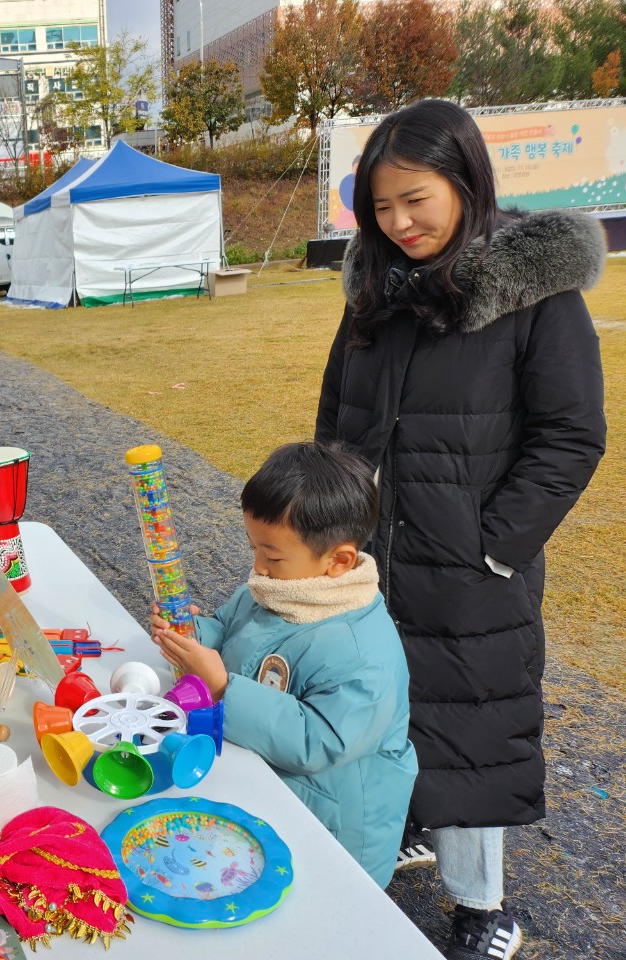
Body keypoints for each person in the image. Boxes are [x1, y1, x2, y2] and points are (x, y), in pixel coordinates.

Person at [315, 98, 607, 960]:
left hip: (472, 565)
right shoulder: (375, 291)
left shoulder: (536, 295)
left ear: (466, 180)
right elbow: (338, 414)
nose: (399, 222)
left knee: (474, 723)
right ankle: (410, 822)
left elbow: (571, 436)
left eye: (417, 199)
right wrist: (333, 517)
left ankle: (483, 909)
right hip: (371, 554)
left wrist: (496, 545)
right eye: (381, 206)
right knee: (384, 700)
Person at [150, 441, 417, 889]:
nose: (258, 567)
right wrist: (190, 636)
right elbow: (227, 629)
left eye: (272, 555)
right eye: (254, 547)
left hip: (332, 829)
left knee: (318, 906)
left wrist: (223, 688)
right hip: (267, 793)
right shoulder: (277, 588)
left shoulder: (363, 652)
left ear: (339, 560)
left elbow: (320, 741)